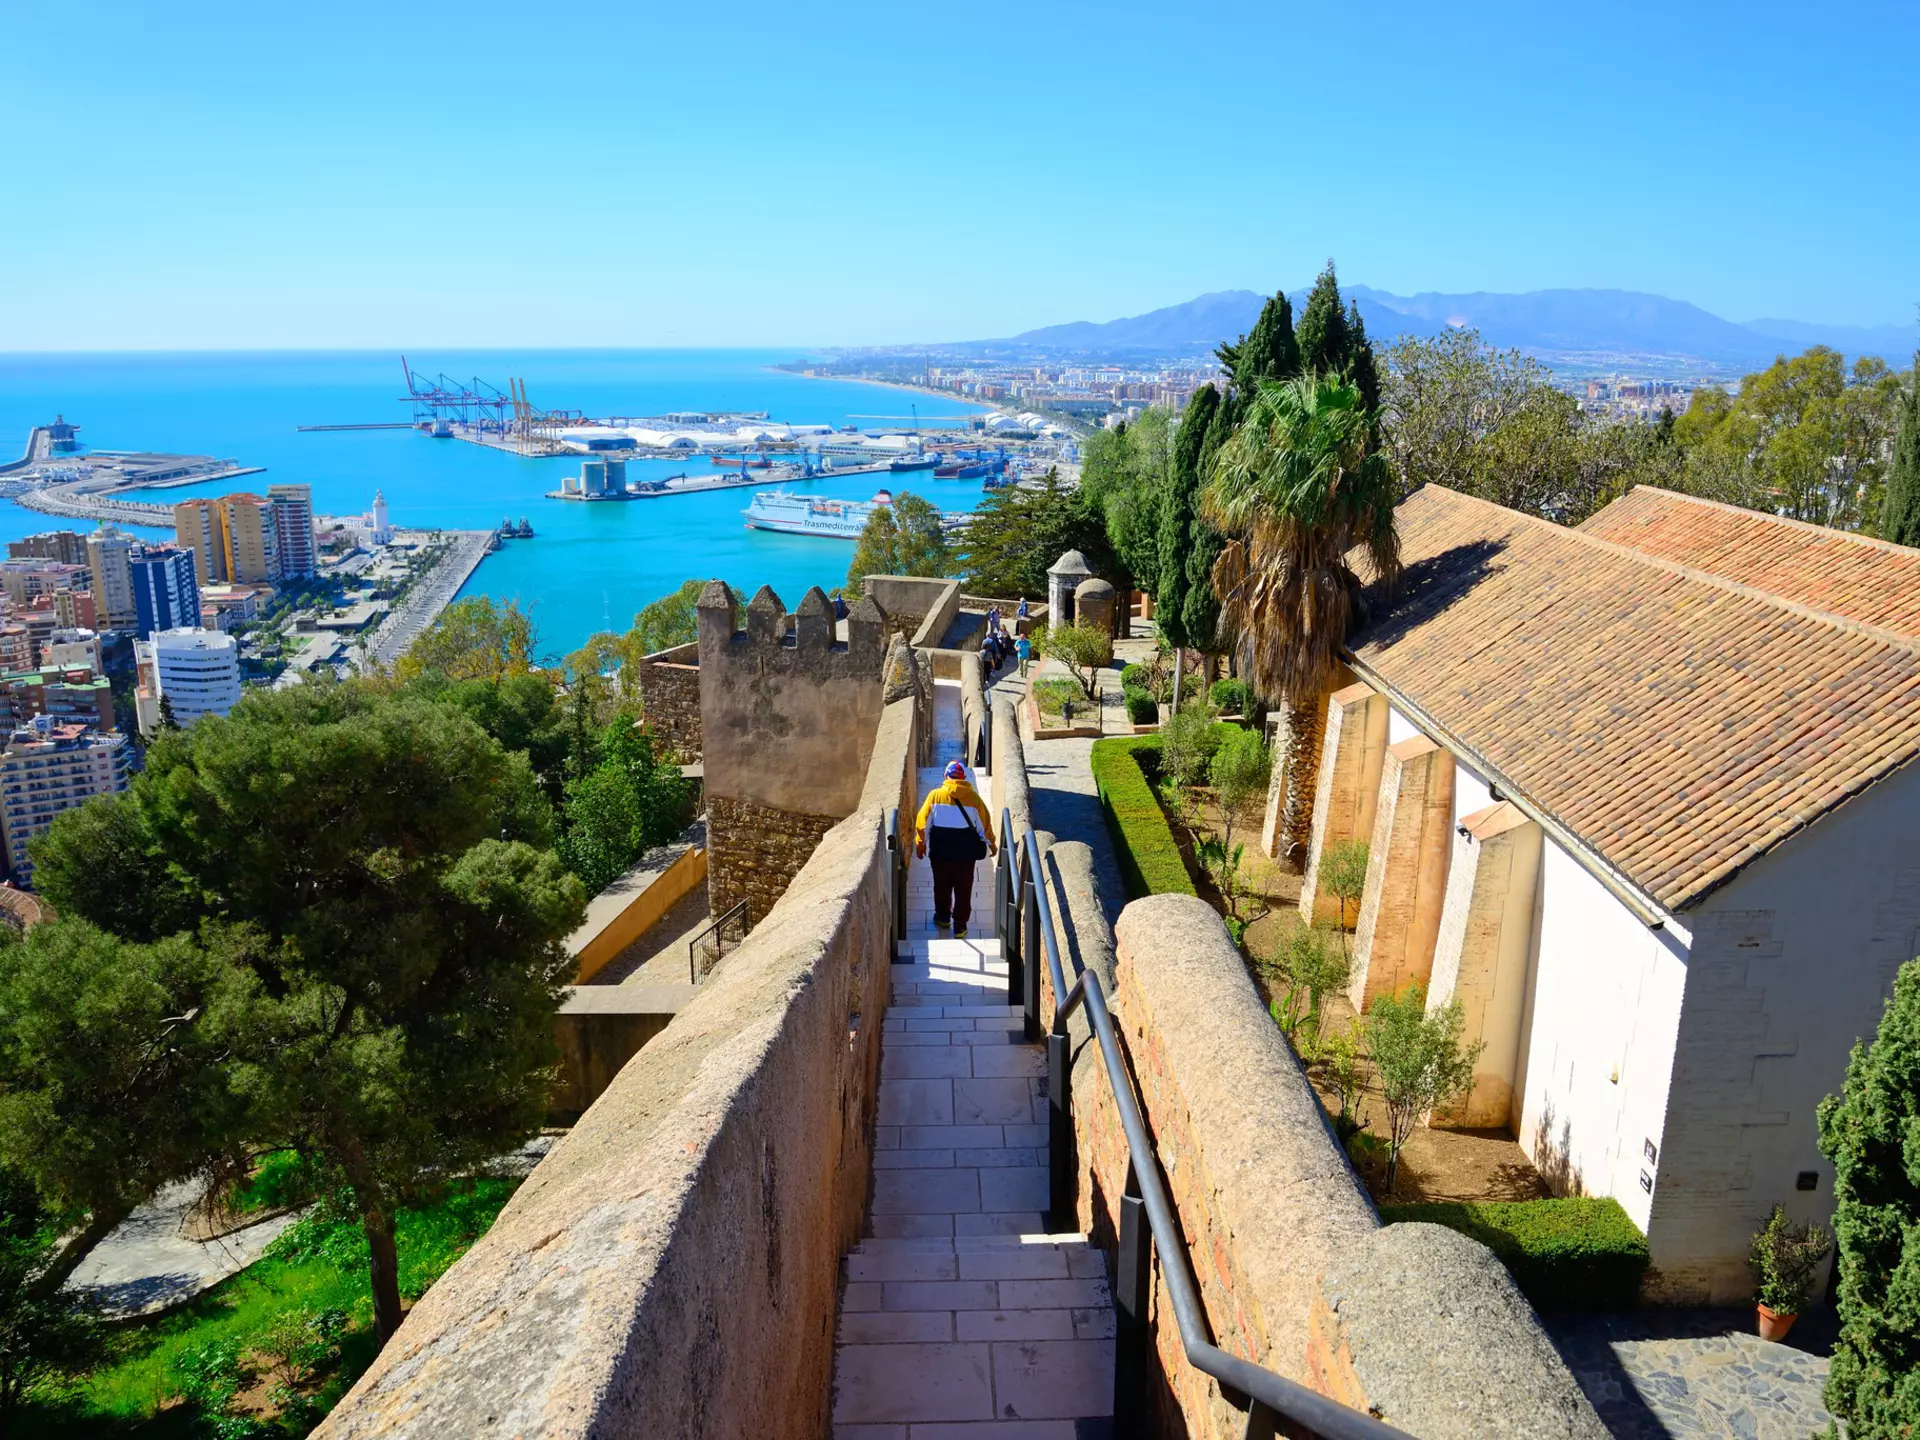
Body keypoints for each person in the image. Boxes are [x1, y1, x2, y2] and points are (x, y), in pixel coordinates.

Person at [914, 758, 996, 938]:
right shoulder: (974, 798)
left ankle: (943, 917)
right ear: (964, 777)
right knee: (963, 889)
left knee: (941, 886)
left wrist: (921, 845)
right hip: (965, 855)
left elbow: (922, 824)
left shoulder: (935, 796)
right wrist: (992, 844)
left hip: (940, 853)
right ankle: (960, 926)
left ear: (946, 776)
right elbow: (985, 825)